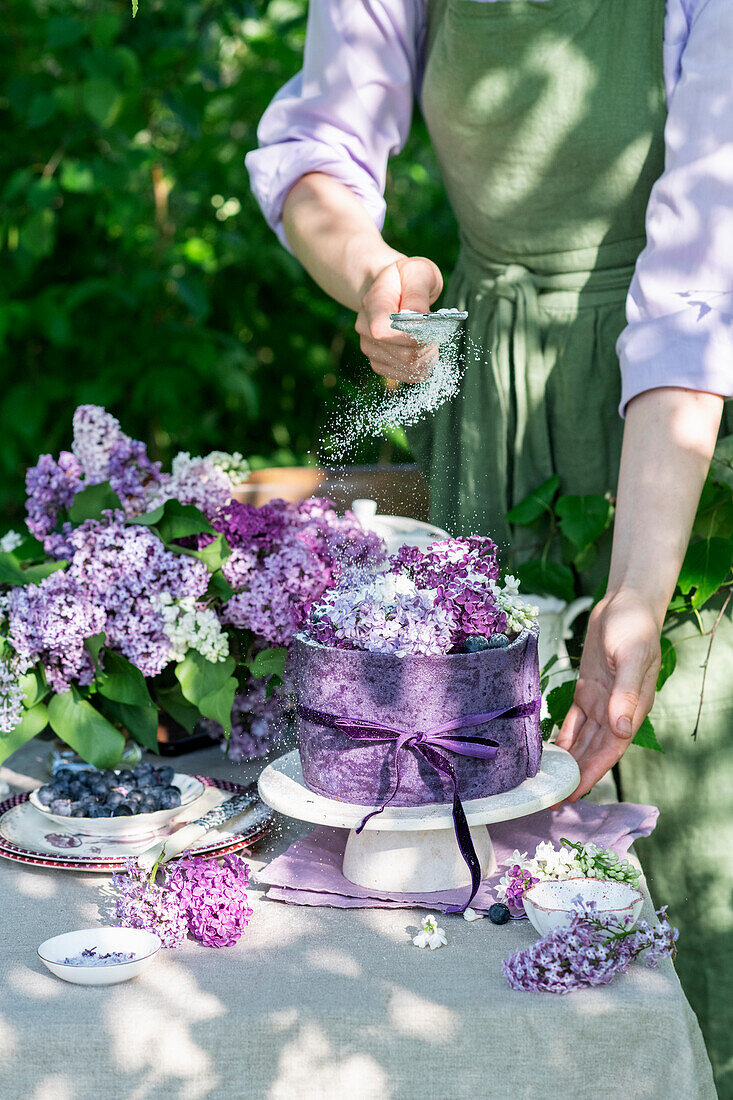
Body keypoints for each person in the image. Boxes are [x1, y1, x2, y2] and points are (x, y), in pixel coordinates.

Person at [246, 1, 733, 1091]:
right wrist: (369, 271)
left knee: (695, 821)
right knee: (480, 820)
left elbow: (698, 288)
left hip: (679, 432)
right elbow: (315, 143)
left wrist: (637, 593)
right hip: (495, 411)